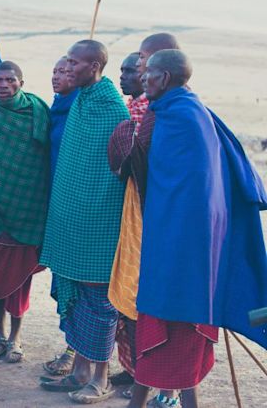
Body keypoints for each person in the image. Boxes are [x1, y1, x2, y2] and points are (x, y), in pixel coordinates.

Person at [128, 49, 267, 408]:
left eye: (151, 73)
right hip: (179, 235)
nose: (144, 78)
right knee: (169, 314)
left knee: (177, 315)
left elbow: (191, 190)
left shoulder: (183, 118)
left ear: (167, 78)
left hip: (183, 241)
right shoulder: (182, 109)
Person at [39, 40, 129, 403]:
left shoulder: (112, 109)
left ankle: (101, 378)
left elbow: (114, 171)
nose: (68, 67)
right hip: (71, 220)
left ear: (94, 67)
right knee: (74, 298)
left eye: (74, 63)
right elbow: (74, 163)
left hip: (99, 224)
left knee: (100, 303)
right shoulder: (80, 103)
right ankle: (79, 371)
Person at [107, 39, 179, 396]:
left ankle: (165, 387)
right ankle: (136, 370)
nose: (140, 73)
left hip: (161, 217)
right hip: (136, 210)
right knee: (131, 295)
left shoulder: (175, 111)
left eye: (142, 64)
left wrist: (127, 141)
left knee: (154, 300)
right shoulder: (142, 109)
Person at [0, 61, 50, 363]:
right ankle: (1, 336)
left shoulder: (38, 111)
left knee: (20, 278)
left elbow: (46, 155)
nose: (3, 85)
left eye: (10, 80)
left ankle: (16, 338)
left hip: (28, 205)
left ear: (21, 81)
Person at [42, 55, 79, 377]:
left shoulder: (82, 110)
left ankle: (76, 350)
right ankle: (75, 345)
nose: (58, 77)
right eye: (55, 71)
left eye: (66, 72)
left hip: (78, 207)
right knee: (64, 275)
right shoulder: (56, 108)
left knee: (79, 280)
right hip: (57, 203)